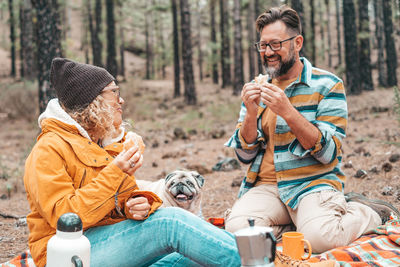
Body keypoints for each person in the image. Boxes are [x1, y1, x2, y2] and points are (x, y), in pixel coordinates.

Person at [24, 58, 241, 267]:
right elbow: (65, 217)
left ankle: (253, 256)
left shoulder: (105, 144)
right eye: (114, 92)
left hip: (108, 241)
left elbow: (117, 204)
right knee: (172, 223)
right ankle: (261, 261)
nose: (121, 100)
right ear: (92, 102)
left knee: (199, 252)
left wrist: (134, 206)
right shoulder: (48, 149)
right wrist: (116, 172)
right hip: (68, 254)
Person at [224, 6, 400, 253]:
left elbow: (329, 154)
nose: (268, 53)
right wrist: (251, 113)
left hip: (312, 183)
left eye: (276, 45)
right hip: (266, 187)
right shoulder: (257, 88)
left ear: (297, 42)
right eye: (263, 45)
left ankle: (367, 212)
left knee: (321, 240)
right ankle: (300, 227)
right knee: (240, 234)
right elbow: (244, 157)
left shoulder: (328, 85)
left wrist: (288, 111)